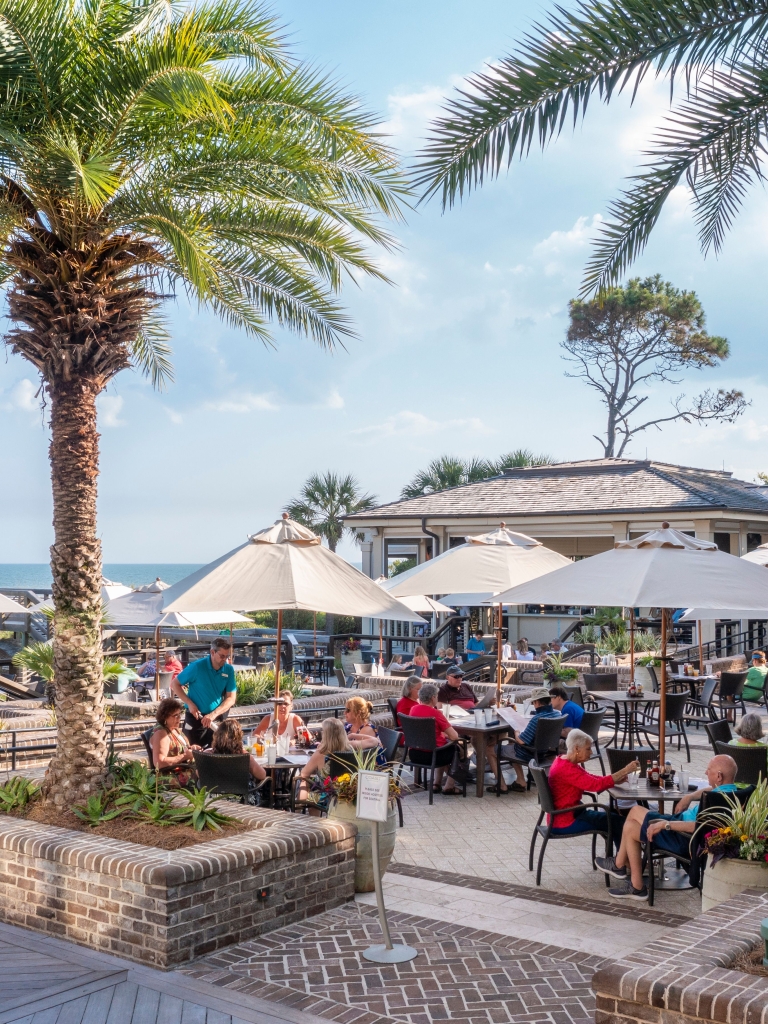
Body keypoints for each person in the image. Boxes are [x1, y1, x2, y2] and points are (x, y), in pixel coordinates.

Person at [596, 754, 739, 900]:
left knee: (634, 811)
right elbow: (709, 789)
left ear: (719, 776)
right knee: (631, 827)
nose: (705, 772)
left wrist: (666, 825)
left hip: (683, 837)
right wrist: (688, 797)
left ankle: (619, 865)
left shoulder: (716, 801)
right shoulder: (733, 792)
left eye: (709, 770)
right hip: (680, 828)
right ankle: (635, 885)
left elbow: (700, 827)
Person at [548, 730, 637, 846]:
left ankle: (620, 859)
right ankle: (622, 862)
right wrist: (625, 770)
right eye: (588, 749)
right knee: (617, 822)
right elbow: (595, 785)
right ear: (576, 749)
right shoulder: (567, 769)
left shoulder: (563, 760)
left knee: (614, 819)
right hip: (565, 820)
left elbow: (591, 778)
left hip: (566, 815)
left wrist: (614, 780)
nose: (591, 752)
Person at [437, 667, 508, 791]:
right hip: (458, 723)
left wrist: (486, 703)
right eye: (456, 676)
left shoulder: (466, 686)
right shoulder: (443, 690)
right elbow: (441, 709)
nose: (459, 679)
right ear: (448, 677)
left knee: (498, 734)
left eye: (461, 676)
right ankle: (483, 762)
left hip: (475, 718)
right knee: (477, 738)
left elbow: (475, 705)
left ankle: (486, 760)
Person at [171, 637, 237, 747]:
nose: (225, 659)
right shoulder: (197, 667)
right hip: (196, 718)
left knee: (216, 754)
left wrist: (213, 714)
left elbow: (231, 698)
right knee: (193, 754)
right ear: (212, 652)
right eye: (222, 656)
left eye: (227, 656)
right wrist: (190, 704)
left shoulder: (228, 670)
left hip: (216, 718)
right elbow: (175, 684)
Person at [407, 682, 463, 794]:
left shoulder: (413, 709)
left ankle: (436, 784)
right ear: (433, 698)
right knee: (457, 749)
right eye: (437, 696)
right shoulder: (436, 713)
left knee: (442, 745)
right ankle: (449, 786)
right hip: (432, 756)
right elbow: (454, 736)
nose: (437, 698)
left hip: (414, 754)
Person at [503, 687, 562, 789]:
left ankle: (516, 782)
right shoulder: (557, 714)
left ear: (537, 703)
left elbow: (521, 741)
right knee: (512, 744)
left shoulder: (537, 719)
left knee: (494, 749)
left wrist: (516, 732)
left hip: (530, 754)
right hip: (546, 751)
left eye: (534, 703)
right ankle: (521, 779)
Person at [298, 718, 354, 813]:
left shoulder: (321, 753)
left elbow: (304, 773)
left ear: (327, 735)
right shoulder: (350, 750)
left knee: (304, 782)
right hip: (345, 793)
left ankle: (306, 817)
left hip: (327, 795)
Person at [150, 697, 200, 785]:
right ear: (164, 716)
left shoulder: (173, 728)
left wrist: (191, 748)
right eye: (175, 715)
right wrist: (185, 756)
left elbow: (178, 749)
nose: (179, 718)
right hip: (170, 776)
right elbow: (159, 762)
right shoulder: (161, 733)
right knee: (206, 774)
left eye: (180, 714)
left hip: (184, 769)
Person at [207, 718, 267, 783]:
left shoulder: (208, 753)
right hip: (241, 792)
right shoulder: (244, 755)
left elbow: (199, 773)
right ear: (238, 736)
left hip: (215, 791)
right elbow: (262, 775)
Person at [344, 695, 386, 765]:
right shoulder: (349, 727)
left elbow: (353, 752)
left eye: (348, 710)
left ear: (358, 713)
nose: (344, 713)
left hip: (371, 770)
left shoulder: (367, 730)